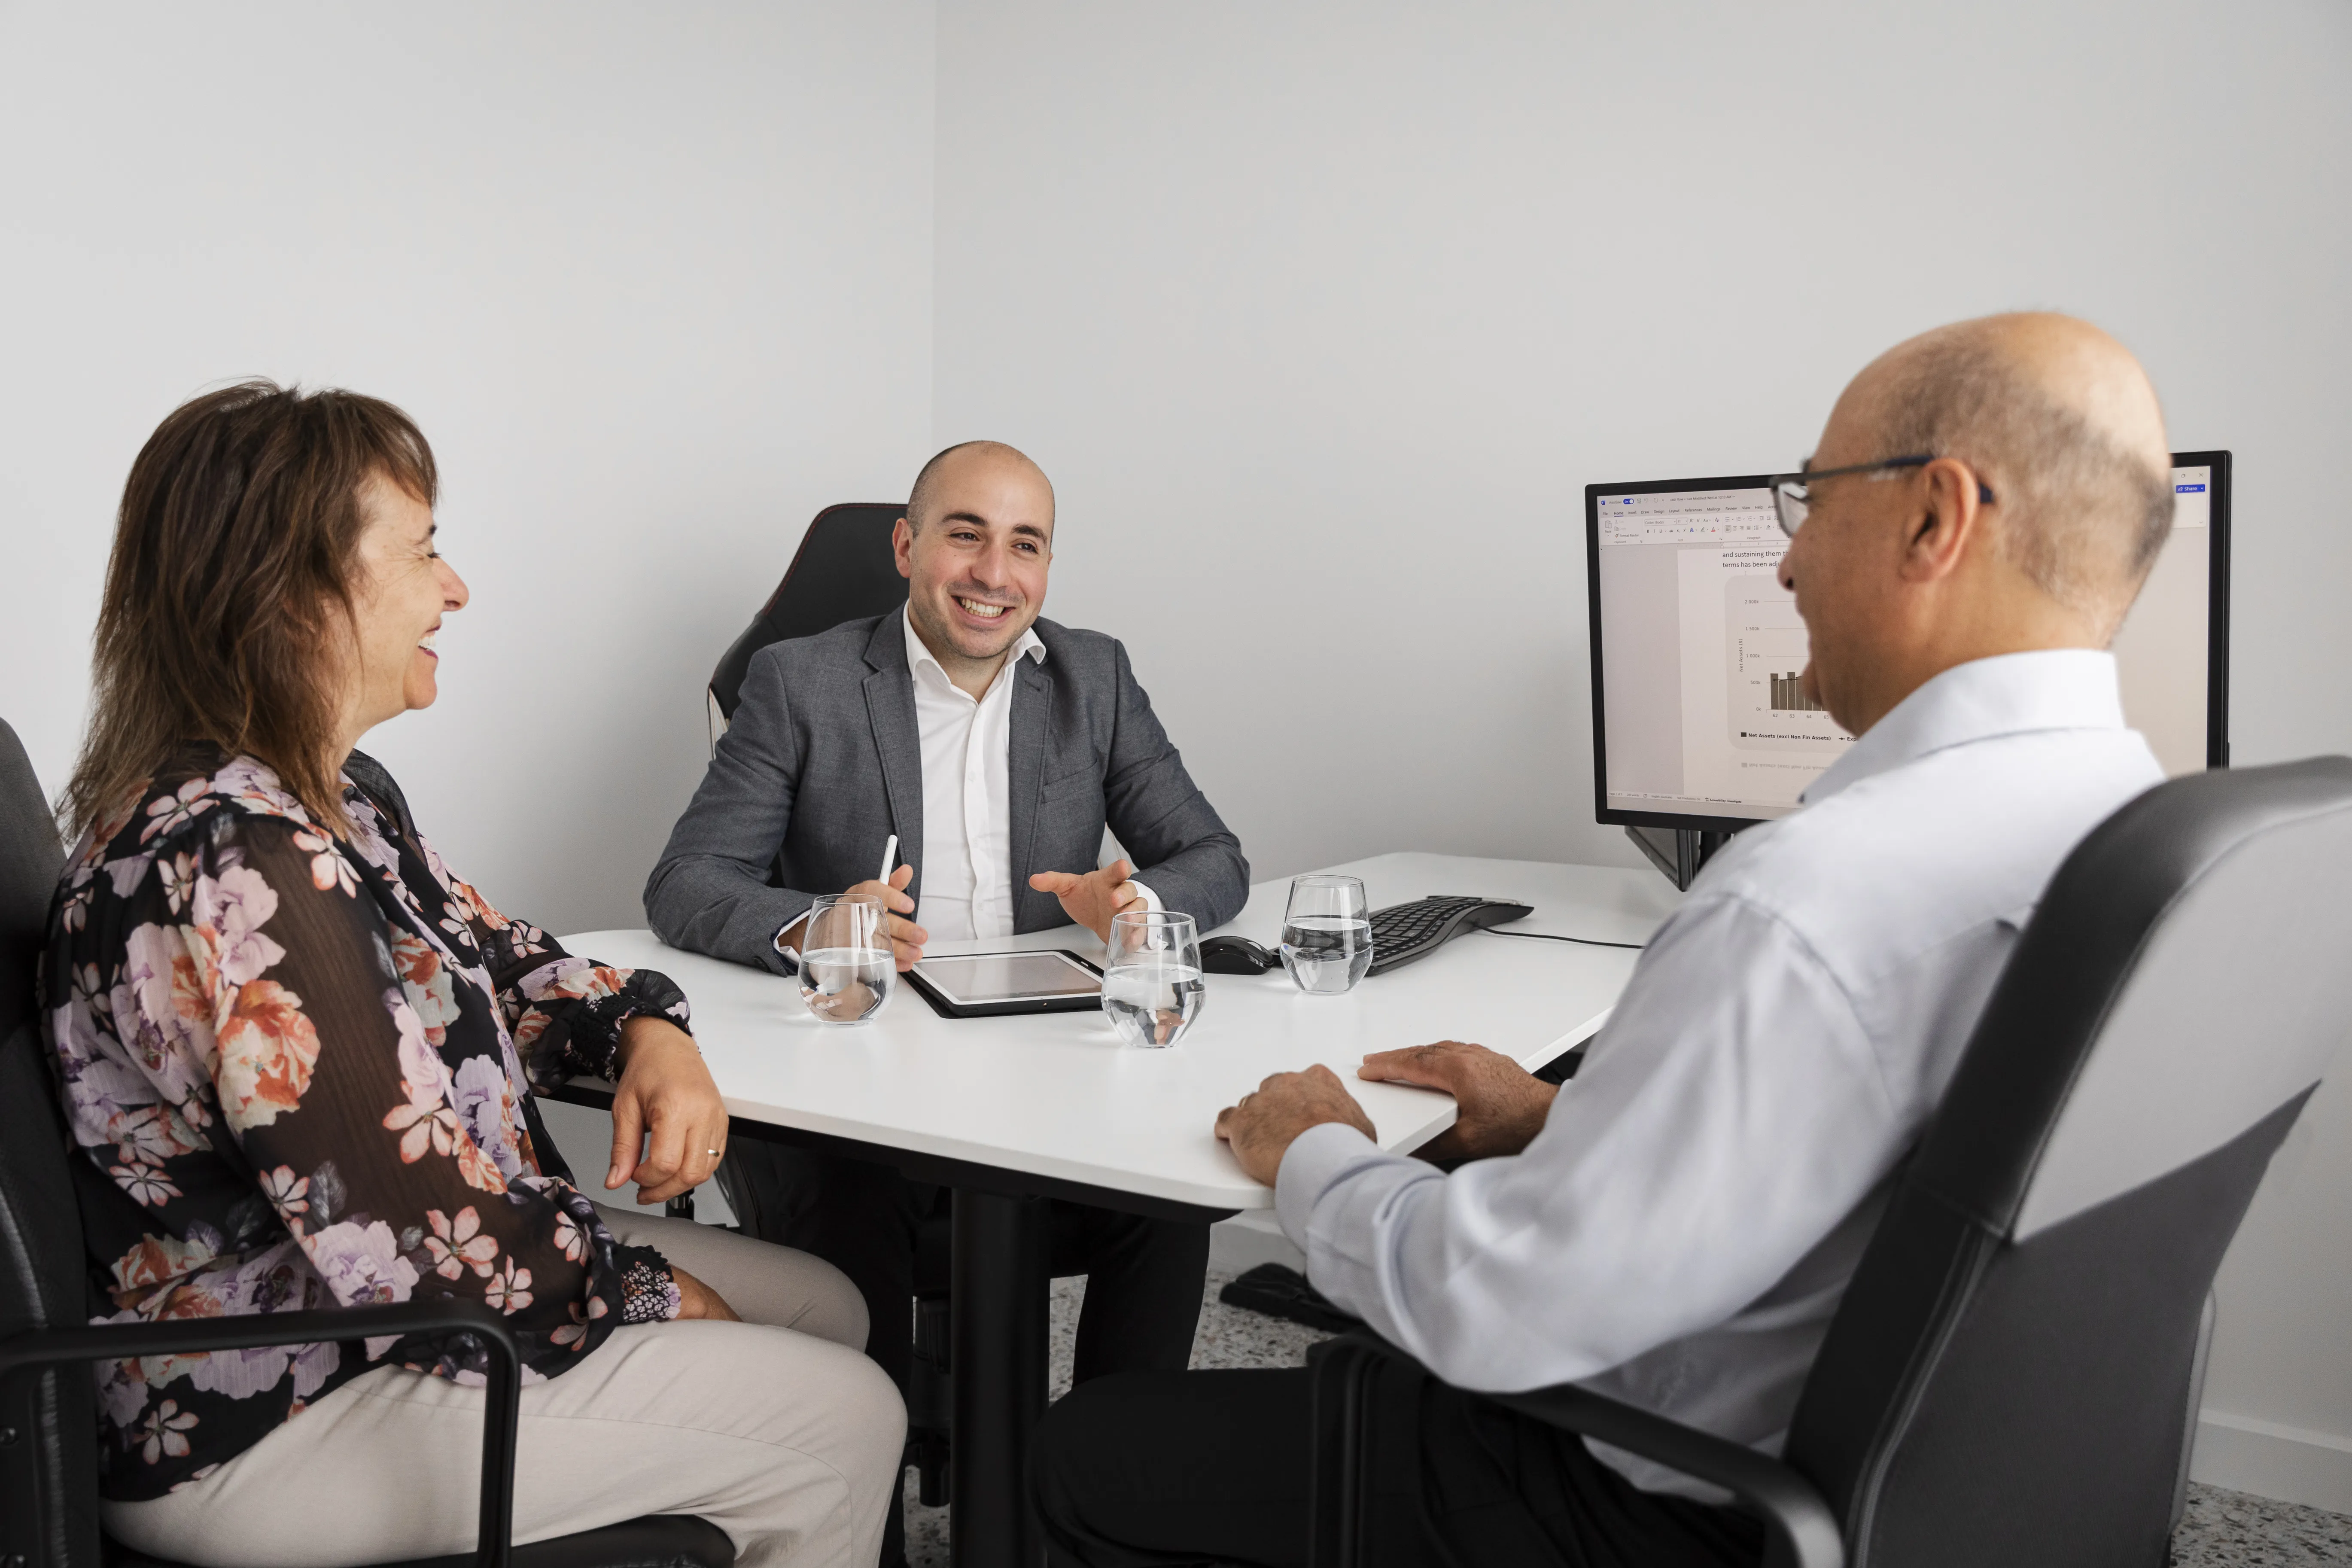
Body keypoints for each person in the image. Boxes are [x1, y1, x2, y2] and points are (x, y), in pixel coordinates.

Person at [1026, 313, 2180, 1568]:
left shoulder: (1803, 902)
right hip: (1942, 1499)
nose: (1786, 566)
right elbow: (1897, 1192)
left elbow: (1493, 1312)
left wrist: (1317, 1158)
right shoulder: (2150, 835)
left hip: (1654, 1509)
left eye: (1809, 498)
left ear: (1931, 520)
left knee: (1081, 1451)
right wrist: (1555, 1126)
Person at [46, 382, 903, 1568]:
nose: (456, 589)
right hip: (264, 1408)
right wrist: (642, 1295)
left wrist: (649, 1027)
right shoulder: (233, 865)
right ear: (292, 595)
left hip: (369, 1316)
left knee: (828, 1309)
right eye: (425, 552)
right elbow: (414, 1235)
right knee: (844, 1412)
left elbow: (502, 964)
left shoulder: (335, 801)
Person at [645, 439, 1249, 1558]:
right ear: (906, 546)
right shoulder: (804, 683)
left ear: (1048, 569)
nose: (992, 572)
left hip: (1041, 1081)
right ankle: (855, 1532)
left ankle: (1114, 1514)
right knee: (850, 1230)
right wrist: (817, 921)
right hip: (856, 1091)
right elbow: (687, 882)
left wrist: (1138, 905)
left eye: (1025, 544)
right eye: (965, 533)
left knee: (1169, 1201)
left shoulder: (1094, 676)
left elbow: (1213, 856)